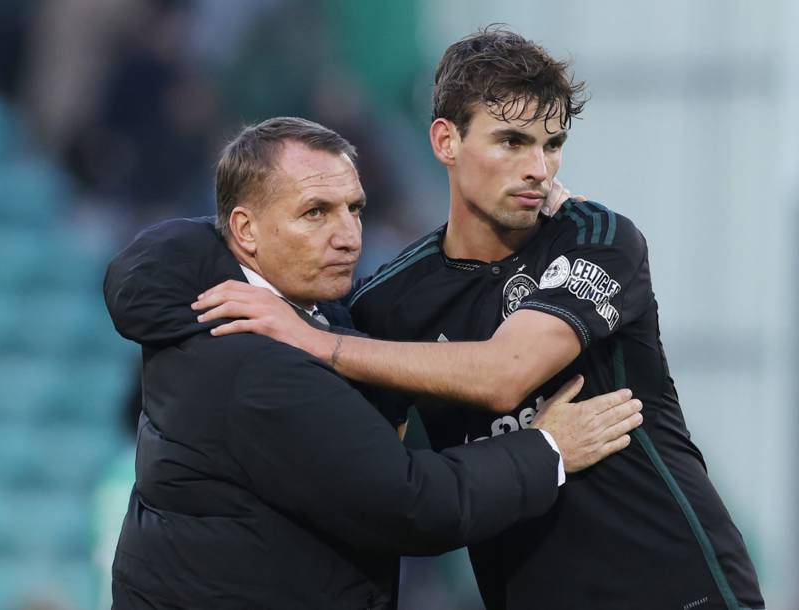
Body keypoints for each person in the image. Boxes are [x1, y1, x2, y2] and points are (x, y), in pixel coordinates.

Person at [194, 30, 765, 610]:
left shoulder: (597, 238)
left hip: (680, 589)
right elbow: (380, 487)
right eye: (512, 141)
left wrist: (318, 342)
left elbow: (506, 373)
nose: (538, 168)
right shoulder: (389, 303)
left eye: (552, 144)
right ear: (446, 140)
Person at [103, 117, 642, 609]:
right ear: (245, 231)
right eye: (315, 213)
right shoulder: (257, 366)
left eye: (355, 208)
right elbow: (414, 505)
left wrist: (538, 238)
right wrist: (547, 449)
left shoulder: (269, 303)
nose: (348, 237)